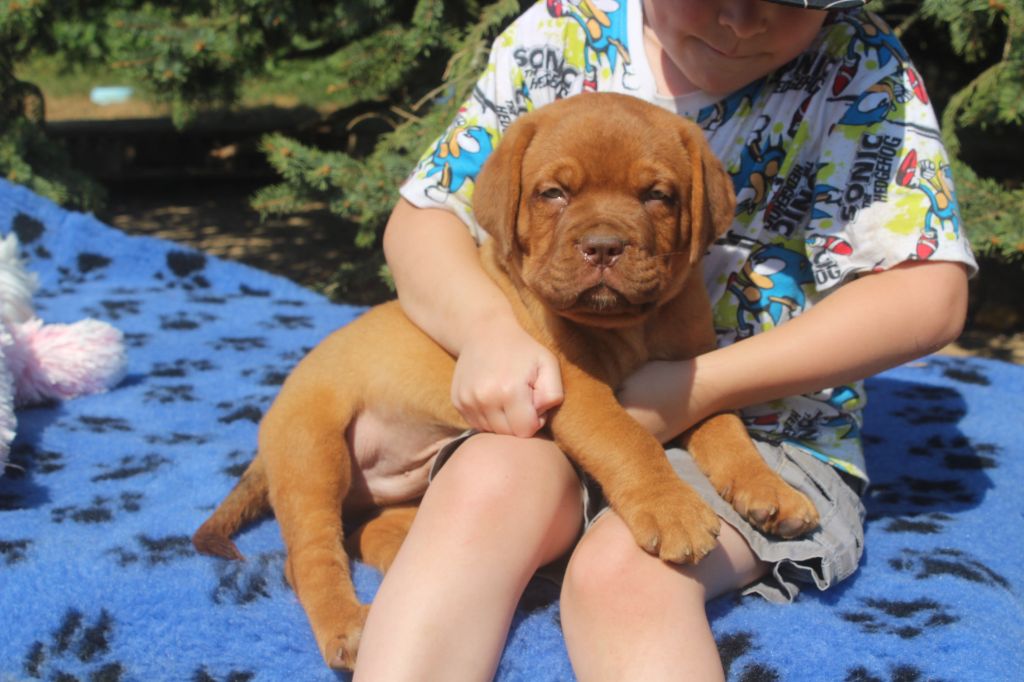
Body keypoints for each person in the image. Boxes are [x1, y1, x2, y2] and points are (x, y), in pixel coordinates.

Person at [353, 1, 977, 679]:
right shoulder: (562, 30)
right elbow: (424, 218)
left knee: (629, 573)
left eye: (789, 1)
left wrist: (700, 388)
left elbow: (930, 296)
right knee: (483, 487)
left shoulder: (859, 72)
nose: (740, 21)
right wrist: (485, 330)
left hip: (770, 439)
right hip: (555, 413)